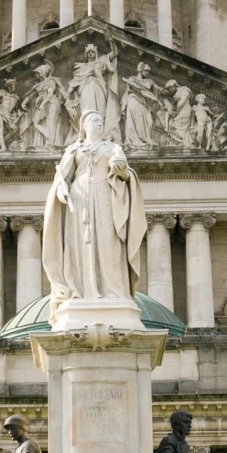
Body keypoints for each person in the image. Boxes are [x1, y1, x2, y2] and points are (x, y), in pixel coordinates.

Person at [41, 109, 146, 324]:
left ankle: (114, 292)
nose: (99, 123)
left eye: (101, 120)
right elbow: (63, 178)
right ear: (84, 126)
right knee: (80, 246)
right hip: (80, 200)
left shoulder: (113, 148)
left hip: (107, 197)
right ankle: (80, 291)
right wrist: (61, 190)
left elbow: (125, 174)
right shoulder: (73, 149)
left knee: (109, 243)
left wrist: (123, 172)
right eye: (95, 120)